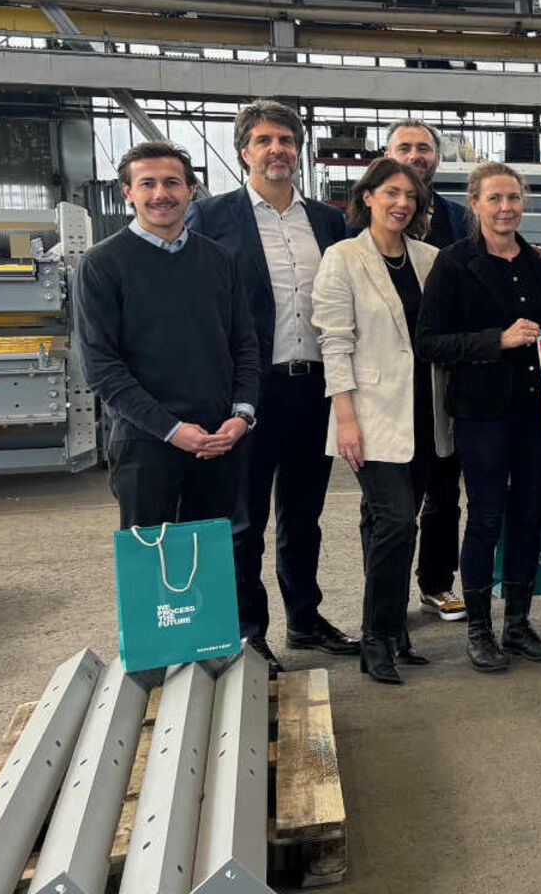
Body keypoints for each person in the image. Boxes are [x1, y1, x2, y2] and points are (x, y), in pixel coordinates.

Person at [186, 99, 355, 671]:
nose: (276, 149)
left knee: (304, 517)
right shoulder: (211, 217)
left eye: (286, 139)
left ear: (298, 150)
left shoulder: (328, 222)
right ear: (244, 152)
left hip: (314, 388)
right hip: (248, 393)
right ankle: (248, 631)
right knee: (246, 520)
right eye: (264, 140)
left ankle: (305, 619)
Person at [415, 162, 541, 674]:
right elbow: (429, 341)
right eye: (495, 199)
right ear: (474, 204)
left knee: (529, 514)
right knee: (485, 518)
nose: (506, 208)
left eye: (514, 198)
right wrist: (495, 340)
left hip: (536, 411)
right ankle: (479, 629)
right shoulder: (454, 263)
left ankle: (517, 623)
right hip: (482, 414)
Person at [311, 159, 448, 684]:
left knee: (383, 524)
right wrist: (344, 416)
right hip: (369, 414)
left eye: (411, 196)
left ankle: (396, 635)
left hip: (423, 412)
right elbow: (334, 342)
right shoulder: (343, 258)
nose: (402, 204)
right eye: (391, 192)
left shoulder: (429, 258)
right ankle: (375, 638)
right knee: (396, 521)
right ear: (367, 196)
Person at [77, 140, 257, 532]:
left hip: (217, 441)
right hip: (145, 444)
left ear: (190, 190)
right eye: (148, 184)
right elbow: (102, 368)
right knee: (150, 562)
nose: (161, 194)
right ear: (128, 192)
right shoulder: (102, 264)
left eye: (172, 182)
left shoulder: (219, 260)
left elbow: (244, 345)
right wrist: (172, 430)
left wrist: (242, 415)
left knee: (209, 559)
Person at [381, 117, 474, 624]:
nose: (416, 155)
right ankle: (385, 597)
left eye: (424, 148)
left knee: (443, 493)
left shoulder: (458, 218)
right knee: (389, 506)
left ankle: (437, 583)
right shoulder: (360, 230)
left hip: (443, 378)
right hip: (385, 386)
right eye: (405, 147)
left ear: (436, 158)